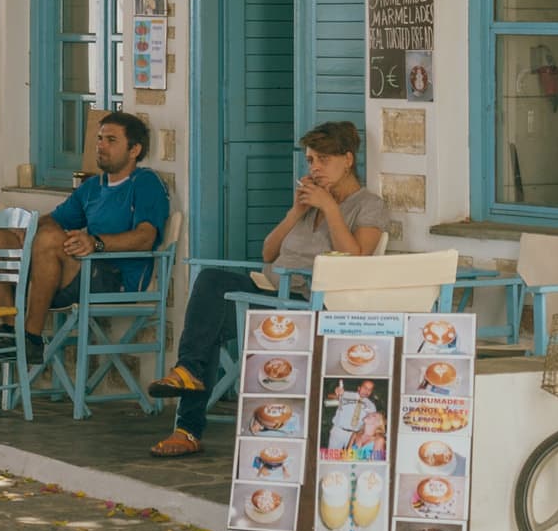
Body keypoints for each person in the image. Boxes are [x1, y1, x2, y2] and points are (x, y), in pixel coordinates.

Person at [148, 120, 388, 457]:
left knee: (210, 321)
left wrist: (330, 208)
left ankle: (187, 427)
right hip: (269, 293)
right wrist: (296, 212)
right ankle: (187, 379)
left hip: (305, 303)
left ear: (348, 159)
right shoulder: (309, 205)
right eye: (310, 160)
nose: (315, 168)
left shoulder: (368, 205)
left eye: (323, 160)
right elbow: (268, 253)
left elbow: (357, 258)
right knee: (211, 285)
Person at [0, 110, 169, 355]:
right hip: (79, 272)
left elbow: (146, 237)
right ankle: (9, 330)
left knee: (50, 239)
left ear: (134, 150)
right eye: (99, 139)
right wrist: (26, 231)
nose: (101, 146)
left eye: (111, 140)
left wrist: (96, 243)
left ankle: (31, 338)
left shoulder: (145, 182)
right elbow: (55, 219)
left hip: (117, 280)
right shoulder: (93, 187)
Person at [326, 380, 377, 451]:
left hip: (355, 435)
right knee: (332, 458)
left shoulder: (371, 406)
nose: (366, 391)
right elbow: (328, 399)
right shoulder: (347, 394)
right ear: (359, 388)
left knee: (350, 459)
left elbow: (372, 423)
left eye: (369, 389)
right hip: (338, 431)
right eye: (365, 388)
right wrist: (337, 393)